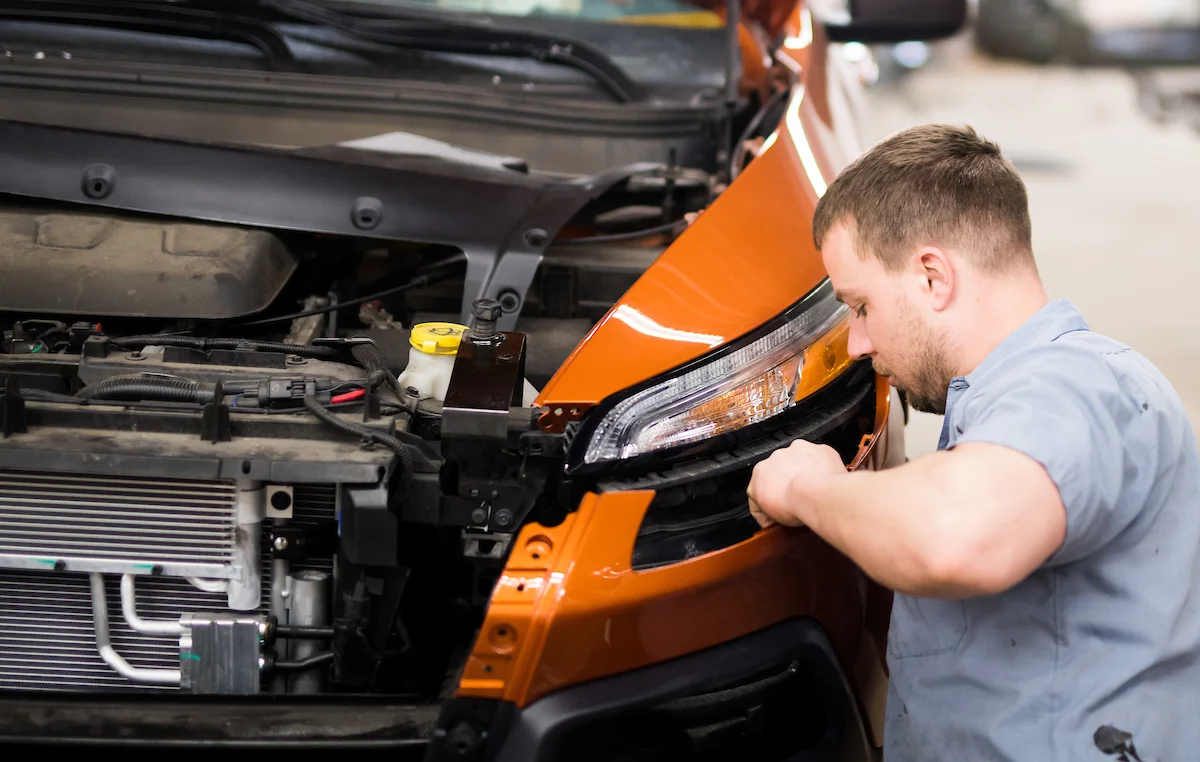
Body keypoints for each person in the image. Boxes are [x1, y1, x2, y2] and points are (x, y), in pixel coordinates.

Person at [745, 124, 1200, 761]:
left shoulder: (1075, 385)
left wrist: (806, 486)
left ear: (933, 277)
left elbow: (956, 537)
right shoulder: (1001, 406)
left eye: (861, 306)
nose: (857, 343)